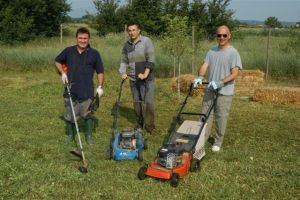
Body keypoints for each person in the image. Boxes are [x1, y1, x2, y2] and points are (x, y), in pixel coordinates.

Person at [193, 25, 242, 152]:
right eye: (219, 35)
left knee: (221, 117)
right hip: (210, 90)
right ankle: (201, 140)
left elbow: (235, 73)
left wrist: (220, 83)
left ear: (229, 36)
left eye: (224, 35)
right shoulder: (211, 51)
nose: (221, 37)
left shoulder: (233, 53)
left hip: (224, 91)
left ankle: (218, 141)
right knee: (205, 115)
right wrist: (200, 76)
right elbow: (205, 65)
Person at [55, 27, 104, 145]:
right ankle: (70, 135)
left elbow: (100, 72)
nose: (83, 40)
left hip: (87, 90)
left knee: (87, 114)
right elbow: (57, 61)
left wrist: (100, 87)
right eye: (80, 38)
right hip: (70, 89)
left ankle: (88, 135)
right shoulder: (68, 51)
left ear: (89, 39)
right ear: (76, 38)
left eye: (85, 38)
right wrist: (62, 73)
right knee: (70, 114)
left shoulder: (94, 53)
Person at [119, 22, 155, 133]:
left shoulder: (146, 41)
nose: (131, 32)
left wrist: (145, 74)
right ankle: (140, 123)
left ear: (139, 30)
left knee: (147, 102)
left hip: (146, 79)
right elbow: (124, 61)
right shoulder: (127, 44)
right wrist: (122, 72)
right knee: (137, 102)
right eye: (129, 30)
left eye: (134, 30)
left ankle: (149, 126)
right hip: (133, 79)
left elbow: (151, 60)